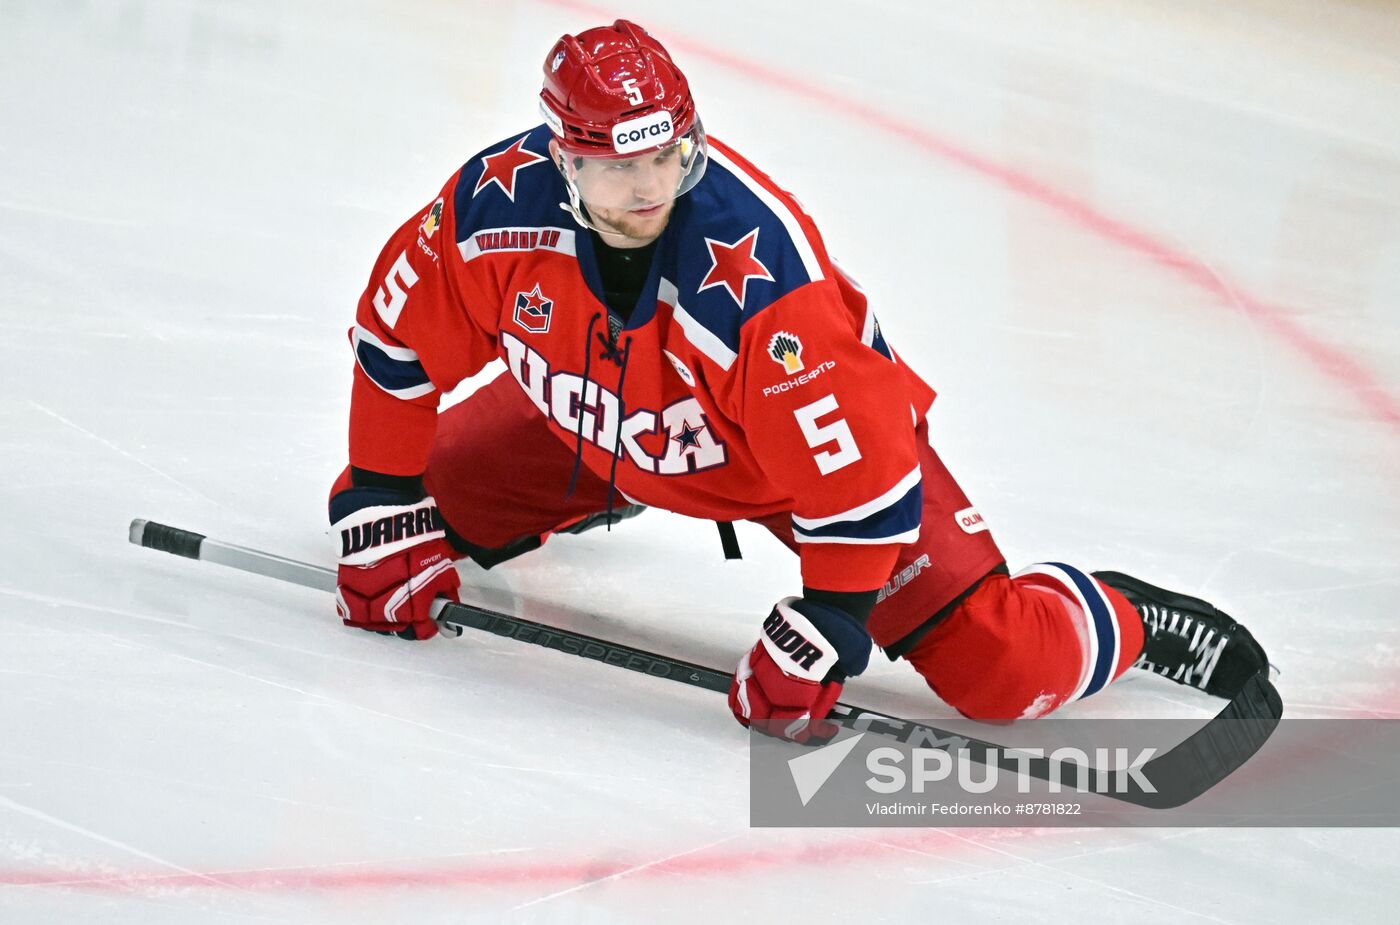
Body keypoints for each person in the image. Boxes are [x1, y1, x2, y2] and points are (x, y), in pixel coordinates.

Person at [329, 20, 1267, 743]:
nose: (650, 187)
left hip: (787, 467)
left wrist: (829, 620)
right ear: (561, 159)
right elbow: (394, 345)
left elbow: (862, 492)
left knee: (1003, 670)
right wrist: (377, 495)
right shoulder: (491, 208)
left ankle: (1117, 613)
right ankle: (613, 492)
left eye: (668, 155)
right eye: (619, 167)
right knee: (415, 514)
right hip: (600, 420)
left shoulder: (767, 292)